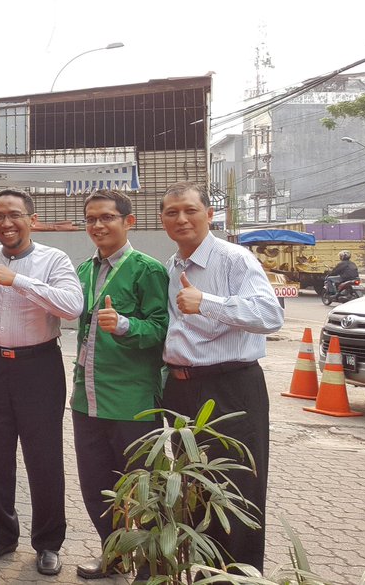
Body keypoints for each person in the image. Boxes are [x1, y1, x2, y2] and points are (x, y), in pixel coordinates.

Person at [159, 181, 282, 572]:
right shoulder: (171, 266)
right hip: (182, 391)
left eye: (190, 210)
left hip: (230, 390)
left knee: (236, 491)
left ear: (209, 215)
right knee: (194, 488)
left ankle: (238, 577)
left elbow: (270, 315)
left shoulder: (234, 259)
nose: (181, 219)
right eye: (172, 212)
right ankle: (204, 573)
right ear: (162, 220)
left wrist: (206, 302)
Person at [0, 188, 83, 577]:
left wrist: (19, 281)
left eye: (14, 215)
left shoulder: (54, 259)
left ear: (32, 220)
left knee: (44, 458)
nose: (6, 223)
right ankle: (1, 534)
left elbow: (72, 306)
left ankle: (48, 543)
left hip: (39, 368)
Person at [71, 190, 168, 580]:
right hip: (87, 399)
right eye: (91, 219)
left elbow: (162, 329)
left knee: (143, 488)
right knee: (96, 487)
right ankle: (112, 554)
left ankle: (151, 565)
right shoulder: (82, 270)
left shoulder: (148, 270)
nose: (98, 225)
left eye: (107, 217)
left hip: (133, 402)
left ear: (129, 221)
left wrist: (126, 325)